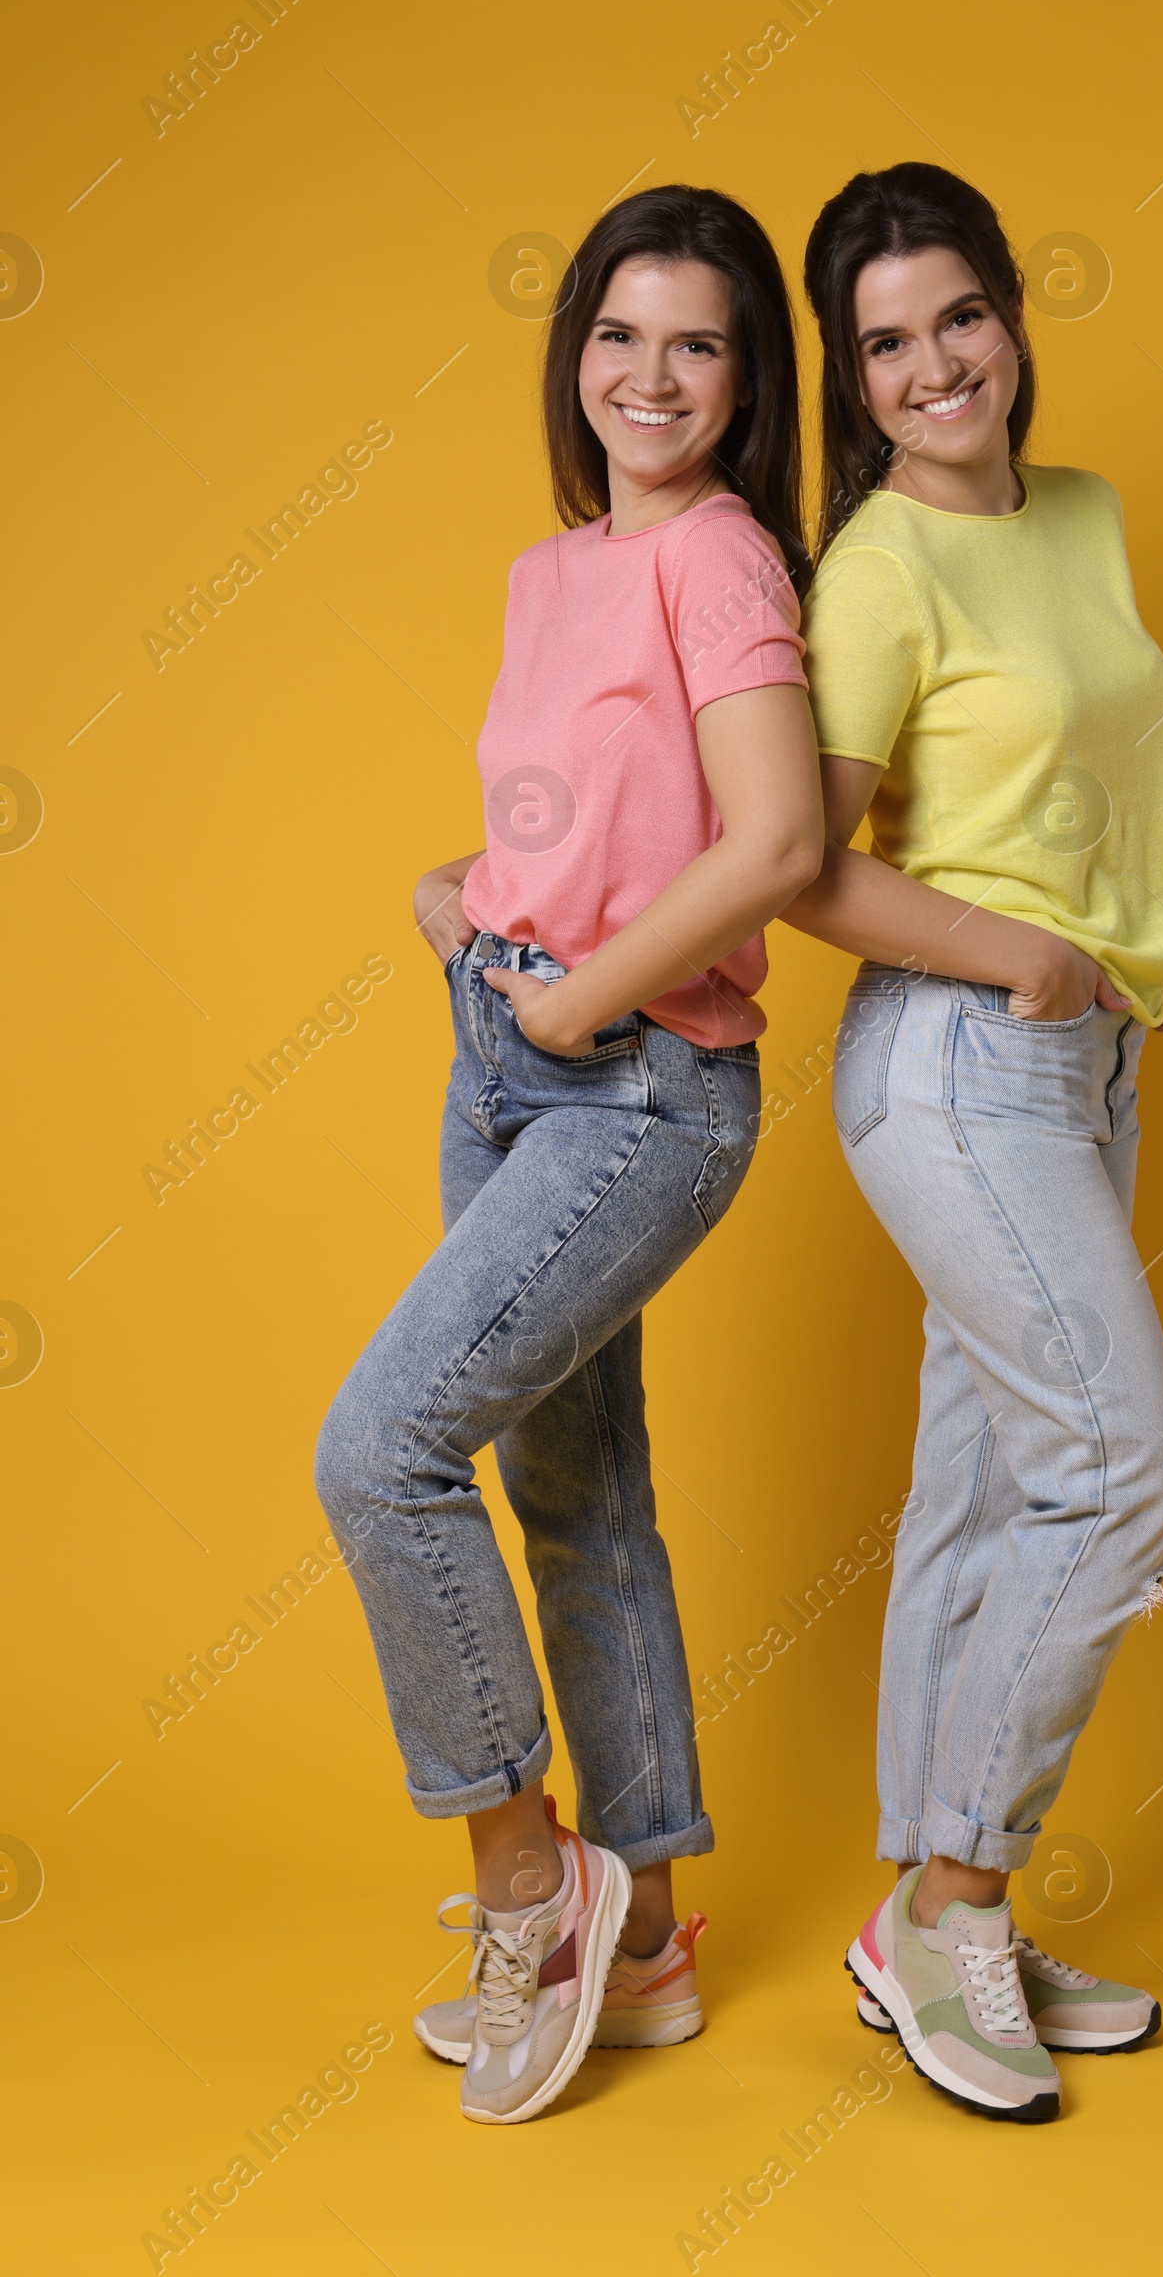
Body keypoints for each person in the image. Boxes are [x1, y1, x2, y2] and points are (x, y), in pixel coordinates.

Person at [315, 184, 821, 2126]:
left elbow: (771, 843)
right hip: (508, 1047)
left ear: (743, 377)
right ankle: (661, 1949)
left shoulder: (718, 559)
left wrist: (565, 994)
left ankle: (531, 1880)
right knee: (581, 1508)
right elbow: (584, 810)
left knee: (380, 1450)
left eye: (695, 342)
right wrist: (468, 904)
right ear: (574, 354)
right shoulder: (552, 571)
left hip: (637, 1082)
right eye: (619, 334)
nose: (649, 376)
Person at [783, 162, 1163, 2124]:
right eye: (883, 344)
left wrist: (1088, 982)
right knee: (1117, 1481)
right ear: (850, 384)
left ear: (1010, 316)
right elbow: (806, 872)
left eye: (955, 316)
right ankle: (953, 1895)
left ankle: (909, 1917)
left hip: (1081, 1070)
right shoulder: (871, 569)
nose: (931, 364)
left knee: (982, 1489)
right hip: (950, 1068)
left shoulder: (1082, 516)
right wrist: (1028, 955)